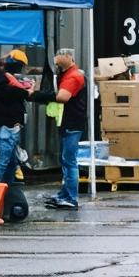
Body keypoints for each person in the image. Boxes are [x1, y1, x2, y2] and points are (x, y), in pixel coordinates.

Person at [0, 50, 51, 186]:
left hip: (10, 125)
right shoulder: (0, 78)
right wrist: (26, 92)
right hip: (7, 124)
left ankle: (7, 187)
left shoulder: (6, 78)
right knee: (4, 161)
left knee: (12, 161)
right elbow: (10, 92)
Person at [43, 48, 88, 211]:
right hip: (67, 122)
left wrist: (40, 96)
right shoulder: (66, 74)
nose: (56, 57)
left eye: (59, 54)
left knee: (69, 161)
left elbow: (62, 97)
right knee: (65, 159)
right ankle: (65, 194)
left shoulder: (73, 76)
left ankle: (71, 197)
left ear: (69, 57)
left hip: (72, 123)